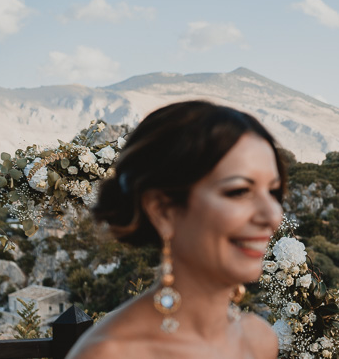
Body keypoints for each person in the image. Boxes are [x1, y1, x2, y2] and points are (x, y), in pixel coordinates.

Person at [67, 101, 285, 359]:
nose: (273, 215)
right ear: (162, 210)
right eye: (238, 191)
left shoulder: (258, 340)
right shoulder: (110, 353)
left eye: (272, 191)